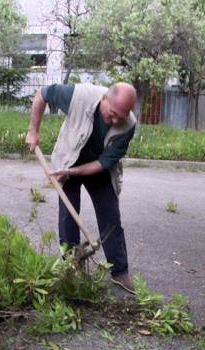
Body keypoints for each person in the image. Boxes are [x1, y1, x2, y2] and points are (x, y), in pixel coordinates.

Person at [25, 82, 137, 294]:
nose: (115, 121)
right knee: (68, 214)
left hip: (99, 170)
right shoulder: (79, 95)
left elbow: (103, 163)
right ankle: (71, 266)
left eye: (119, 118)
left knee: (111, 217)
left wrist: (73, 173)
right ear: (105, 98)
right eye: (112, 114)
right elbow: (42, 94)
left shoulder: (128, 125)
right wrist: (33, 131)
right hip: (68, 159)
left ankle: (119, 271)